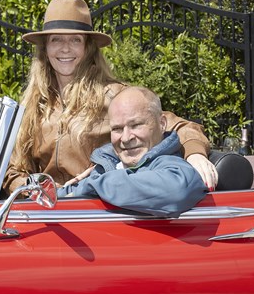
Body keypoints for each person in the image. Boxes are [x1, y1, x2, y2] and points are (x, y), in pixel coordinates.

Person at [2, 0, 217, 195]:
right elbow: (13, 171)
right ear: (45, 49)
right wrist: (40, 191)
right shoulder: (33, 106)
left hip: (97, 212)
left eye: (75, 40)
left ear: (88, 48)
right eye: (56, 39)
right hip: (46, 216)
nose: (65, 48)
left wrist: (195, 153)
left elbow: (179, 127)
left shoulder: (115, 96)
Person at [57, 87, 207, 217]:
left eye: (136, 125)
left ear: (161, 124)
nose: (126, 138)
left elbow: (176, 190)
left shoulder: (172, 166)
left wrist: (92, 186)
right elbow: (65, 195)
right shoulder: (107, 163)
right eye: (117, 129)